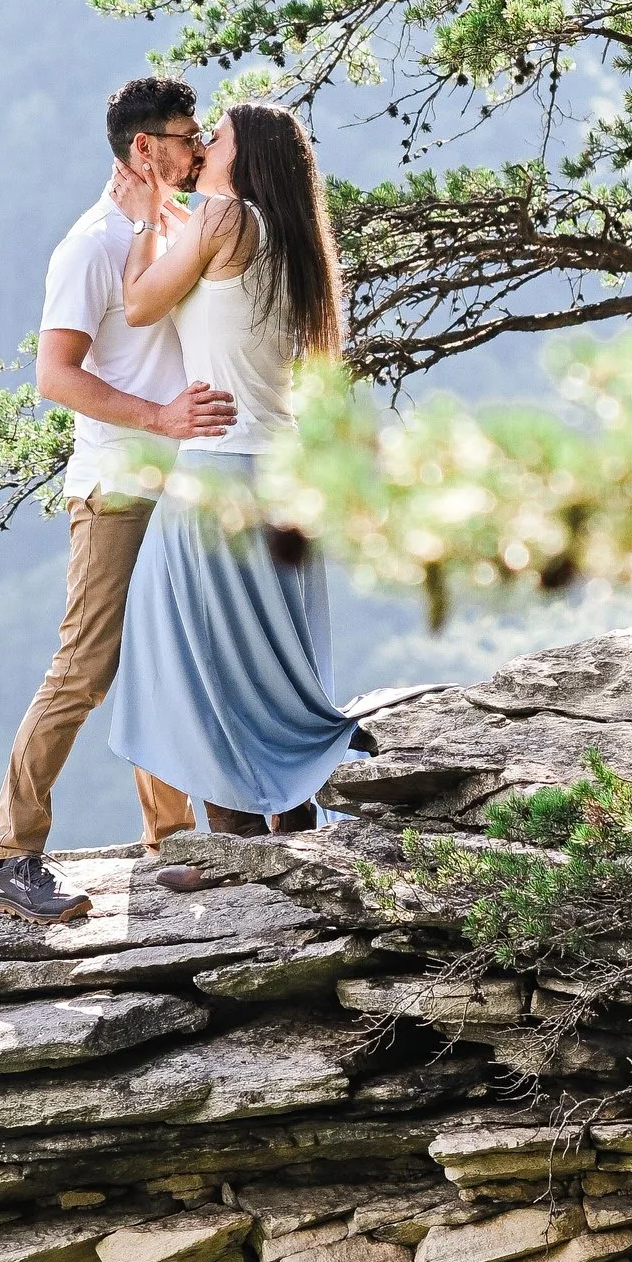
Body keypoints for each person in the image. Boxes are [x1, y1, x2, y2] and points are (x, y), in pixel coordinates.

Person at [0, 76, 242, 930]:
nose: (198, 146)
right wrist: (162, 417)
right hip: (117, 489)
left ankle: (169, 844)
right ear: (144, 148)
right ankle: (10, 856)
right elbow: (55, 377)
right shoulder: (91, 245)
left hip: (176, 486)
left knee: (163, 659)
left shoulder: (166, 227)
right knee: (87, 668)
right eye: (185, 133)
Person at [103, 100, 374, 835]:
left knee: (200, 667)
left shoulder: (226, 221)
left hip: (218, 473)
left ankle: (239, 850)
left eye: (215, 136)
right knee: (270, 666)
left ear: (243, 153)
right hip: (280, 477)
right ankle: (294, 832)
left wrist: (140, 218)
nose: (204, 144)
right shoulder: (294, 237)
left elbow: (138, 306)